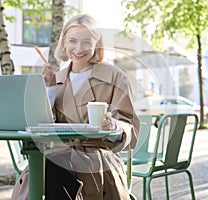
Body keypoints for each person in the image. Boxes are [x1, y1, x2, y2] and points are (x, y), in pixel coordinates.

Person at [11, 13, 140, 200]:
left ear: (97, 44)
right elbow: (43, 126)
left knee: (51, 168)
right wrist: (49, 90)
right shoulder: (57, 78)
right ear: (64, 43)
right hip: (56, 157)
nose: (79, 48)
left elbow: (132, 132)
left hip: (97, 159)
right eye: (73, 41)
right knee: (48, 166)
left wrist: (115, 127)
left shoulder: (114, 76)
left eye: (87, 42)